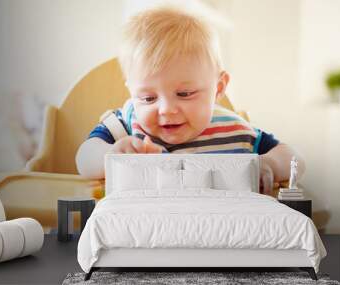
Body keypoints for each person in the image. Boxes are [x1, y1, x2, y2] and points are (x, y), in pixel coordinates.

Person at [75, 5, 305, 195]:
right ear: (132, 93)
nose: (166, 109)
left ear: (219, 88)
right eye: (148, 98)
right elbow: (83, 159)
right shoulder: (123, 128)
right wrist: (111, 155)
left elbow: (294, 160)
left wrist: (269, 164)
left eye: (184, 94)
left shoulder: (234, 132)